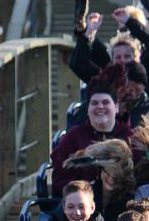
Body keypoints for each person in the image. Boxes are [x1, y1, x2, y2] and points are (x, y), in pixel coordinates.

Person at [51, 64, 135, 196]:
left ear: (116, 107)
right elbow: (59, 174)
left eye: (105, 102)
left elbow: (141, 175)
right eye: (94, 103)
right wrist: (78, 190)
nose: (100, 107)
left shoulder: (132, 138)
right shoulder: (74, 136)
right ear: (88, 110)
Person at [63, 138, 137, 221]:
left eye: (117, 174)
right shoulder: (86, 194)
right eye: (109, 171)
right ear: (100, 170)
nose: (111, 178)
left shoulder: (128, 201)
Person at [68, 61, 149, 130]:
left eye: (136, 82)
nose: (130, 87)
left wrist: (146, 124)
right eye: (125, 83)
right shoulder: (89, 111)